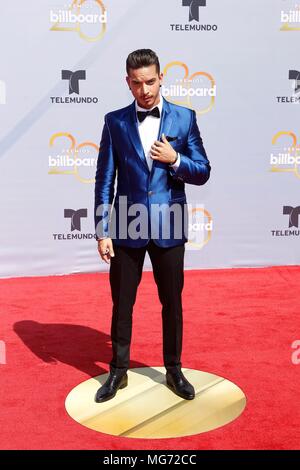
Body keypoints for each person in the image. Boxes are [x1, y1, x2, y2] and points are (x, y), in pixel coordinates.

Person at [94, 49, 211, 403]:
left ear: (161, 77)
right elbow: (104, 180)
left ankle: (173, 369)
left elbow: (203, 171)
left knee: (171, 302)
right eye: (136, 83)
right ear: (127, 82)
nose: (144, 89)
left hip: (169, 223)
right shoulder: (115, 122)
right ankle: (118, 370)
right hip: (126, 224)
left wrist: (176, 160)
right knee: (122, 303)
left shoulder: (185, 118)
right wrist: (102, 230)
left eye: (150, 81)